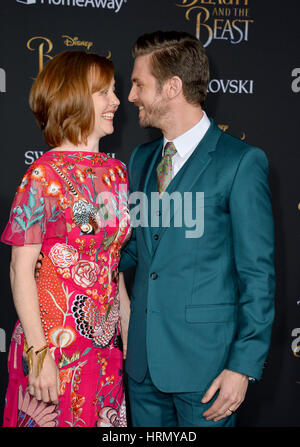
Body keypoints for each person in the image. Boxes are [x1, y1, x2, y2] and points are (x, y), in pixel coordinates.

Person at [117, 30, 275, 427]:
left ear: (172, 87)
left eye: (138, 84)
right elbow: (135, 247)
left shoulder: (240, 162)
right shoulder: (141, 158)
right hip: (142, 366)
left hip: (208, 370)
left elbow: (257, 275)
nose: (131, 95)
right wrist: (74, 252)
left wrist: (243, 366)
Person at [1, 50, 131, 427]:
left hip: (106, 347)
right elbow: (19, 270)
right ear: (75, 97)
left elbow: (112, 261)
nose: (117, 101)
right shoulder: (42, 177)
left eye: (115, 91)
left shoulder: (116, 173)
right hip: (54, 346)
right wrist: (39, 354)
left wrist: (129, 338)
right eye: (104, 92)